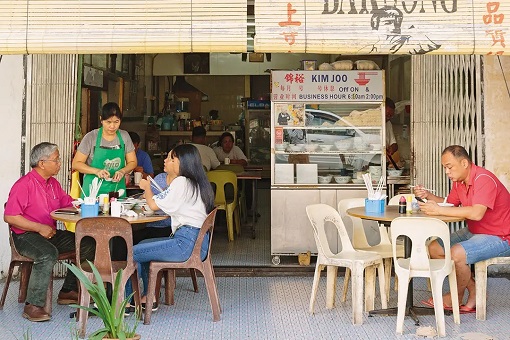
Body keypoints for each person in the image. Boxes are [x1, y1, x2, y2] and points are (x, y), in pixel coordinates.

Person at [4, 142, 95, 322]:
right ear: (42, 163)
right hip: (25, 236)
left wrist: (89, 203)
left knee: (87, 243)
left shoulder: (52, 183)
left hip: (50, 233)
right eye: (56, 159)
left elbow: (68, 203)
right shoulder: (24, 185)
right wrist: (39, 228)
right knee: (47, 253)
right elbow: (10, 216)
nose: (60, 163)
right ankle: (33, 305)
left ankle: (68, 290)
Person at [414, 145, 510, 313]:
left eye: (449, 167)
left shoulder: (483, 179)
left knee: (458, 253)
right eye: (444, 167)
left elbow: (477, 213)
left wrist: (439, 210)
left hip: (500, 236)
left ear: (464, 163)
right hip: (476, 231)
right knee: (434, 248)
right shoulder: (459, 183)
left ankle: (454, 297)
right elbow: (449, 204)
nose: (446, 172)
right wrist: (427, 196)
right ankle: (474, 290)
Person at [125, 144, 215, 310]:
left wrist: (146, 187)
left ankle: (126, 302)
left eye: (171, 158)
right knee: (144, 246)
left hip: (186, 243)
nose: (165, 160)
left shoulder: (181, 182)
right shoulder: (196, 183)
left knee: (134, 251)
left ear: (182, 162)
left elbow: (152, 205)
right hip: (196, 242)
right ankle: (147, 298)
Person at [72, 102, 137, 198]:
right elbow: (76, 164)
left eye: (116, 122)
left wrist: (122, 171)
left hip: (116, 190)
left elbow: (133, 162)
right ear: (101, 120)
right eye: (108, 122)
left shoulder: (124, 136)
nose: (112, 126)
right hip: (92, 192)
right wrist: (96, 171)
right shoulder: (91, 137)